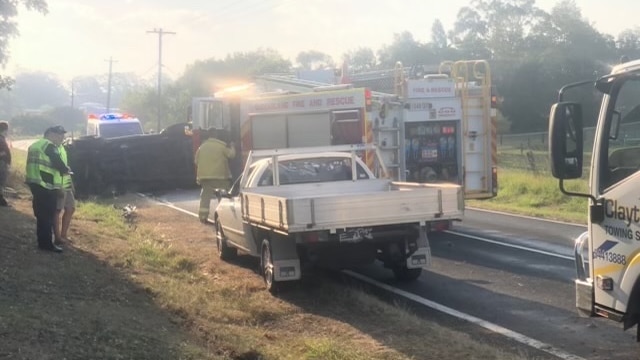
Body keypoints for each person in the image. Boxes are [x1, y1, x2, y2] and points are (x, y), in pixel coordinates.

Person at [25, 125, 70, 253]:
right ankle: (46, 244)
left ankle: (43, 242)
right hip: (45, 185)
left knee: (41, 214)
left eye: (62, 135)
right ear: (50, 134)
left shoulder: (36, 145)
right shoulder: (48, 145)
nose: (61, 138)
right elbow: (58, 163)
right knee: (47, 215)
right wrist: (66, 170)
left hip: (35, 182)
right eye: (58, 135)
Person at [194, 128, 236, 224]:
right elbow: (231, 155)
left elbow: (196, 161)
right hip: (220, 176)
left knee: (205, 197)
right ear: (216, 135)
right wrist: (233, 146)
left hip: (204, 177)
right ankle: (224, 217)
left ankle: (203, 217)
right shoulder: (221, 146)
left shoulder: (202, 147)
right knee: (223, 196)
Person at [54, 142, 75, 246]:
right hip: (59, 182)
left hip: (66, 180)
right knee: (58, 210)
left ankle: (64, 235)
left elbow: (66, 166)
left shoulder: (62, 148)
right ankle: (57, 237)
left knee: (70, 208)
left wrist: (71, 185)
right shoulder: (52, 148)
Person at [0, 121, 11, 207]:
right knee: (1, 181)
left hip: (3, 163)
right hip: (1, 163)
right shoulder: (1, 139)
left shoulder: (2, 139)